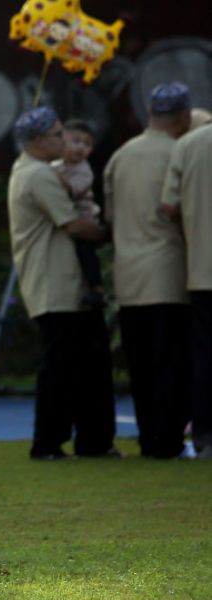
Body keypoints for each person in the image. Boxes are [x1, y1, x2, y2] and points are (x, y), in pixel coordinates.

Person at [7, 105, 119, 461]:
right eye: (57, 134)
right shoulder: (38, 174)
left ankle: (88, 442)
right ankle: (51, 444)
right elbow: (73, 224)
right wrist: (110, 232)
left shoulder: (28, 168)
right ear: (39, 140)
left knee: (81, 366)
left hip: (58, 285)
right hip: (57, 286)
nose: (64, 139)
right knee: (65, 369)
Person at [103, 82, 193, 459]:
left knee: (140, 366)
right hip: (169, 273)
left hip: (128, 276)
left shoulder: (120, 157)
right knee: (173, 363)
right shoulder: (181, 151)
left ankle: (148, 437)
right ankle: (169, 440)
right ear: (184, 116)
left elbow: (109, 217)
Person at [160, 90, 212, 460]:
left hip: (203, 268)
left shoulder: (188, 145)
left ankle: (206, 436)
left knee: (206, 354)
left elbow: (168, 206)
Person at [51, 119, 106, 308]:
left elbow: (73, 190)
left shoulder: (84, 170)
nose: (81, 147)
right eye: (76, 141)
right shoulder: (56, 165)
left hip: (85, 218)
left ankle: (97, 288)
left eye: (87, 144)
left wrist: (52, 176)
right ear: (61, 141)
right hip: (68, 217)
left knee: (86, 251)